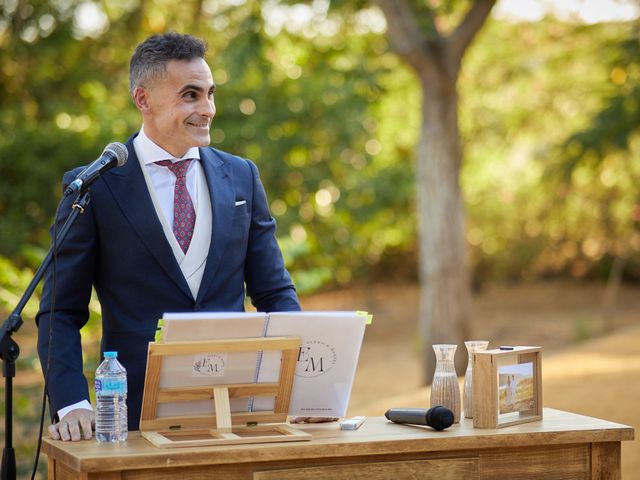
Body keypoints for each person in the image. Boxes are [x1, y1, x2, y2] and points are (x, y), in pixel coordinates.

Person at [37, 32, 301, 442]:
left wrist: (303, 389)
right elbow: (60, 311)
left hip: (238, 409)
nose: (208, 109)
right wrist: (74, 403)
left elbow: (275, 293)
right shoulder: (94, 187)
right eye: (191, 95)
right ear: (143, 100)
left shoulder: (242, 177)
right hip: (134, 416)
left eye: (211, 94)